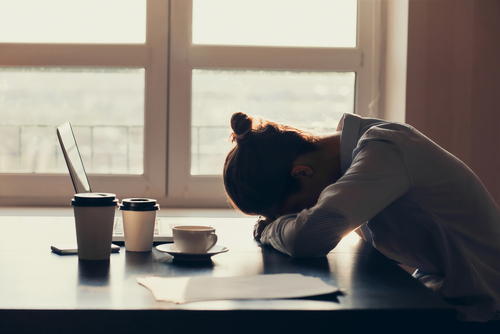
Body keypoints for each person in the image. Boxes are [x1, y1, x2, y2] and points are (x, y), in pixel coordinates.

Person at [223, 111, 500, 323]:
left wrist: (268, 230)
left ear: (302, 172)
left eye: (285, 214)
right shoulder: (356, 157)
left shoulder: (385, 149)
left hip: (483, 307)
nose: (292, 218)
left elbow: (308, 237)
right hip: (446, 293)